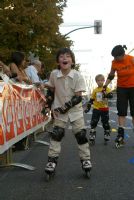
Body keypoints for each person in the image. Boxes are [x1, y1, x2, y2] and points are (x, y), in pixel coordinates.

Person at [44, 47, 92, 176]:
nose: (64, 58)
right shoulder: (54, 74)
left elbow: (78, 97)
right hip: (59, 111)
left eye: (68, 56)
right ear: (58, 61)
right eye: (61, 56)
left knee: (80, 135)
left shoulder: (77, 75)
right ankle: (51, 161)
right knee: (57, 134)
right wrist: (48, 106)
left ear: (72, 61)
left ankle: (85, 160)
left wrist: (64, 108)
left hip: (75, 111)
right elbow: (51, 91)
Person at [103, 45, 134, 147]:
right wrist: (105, 85)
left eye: (116, 57)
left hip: (133, 87)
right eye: (114, 57)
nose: (115, 59)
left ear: (122, 55)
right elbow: (111, 75)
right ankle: (121, 137)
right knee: (121, 111)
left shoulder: (131, 59)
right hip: (121, 88)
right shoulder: (114, 62)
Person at [85, 74, 113, 144]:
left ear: (104, 81)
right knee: (93, 122)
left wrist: (106, 94)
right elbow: (91, 99)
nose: (100, 82)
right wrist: (88, 108)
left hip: (104, 109)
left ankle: (107, 132)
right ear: (96, 82)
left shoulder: (106, 88)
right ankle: (92, 134)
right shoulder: (95, 90)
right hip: (96, 108)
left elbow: (111, 95)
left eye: (101, 80)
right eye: (98, 81)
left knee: (105, 123)